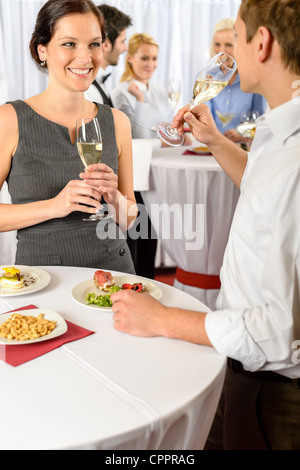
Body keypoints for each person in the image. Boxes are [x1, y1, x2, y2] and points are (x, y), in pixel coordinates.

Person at [111, 0, 300, 450]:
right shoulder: (281, 131)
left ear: (262, 42)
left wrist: (163, 319)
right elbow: (261, 188)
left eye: (235, 37)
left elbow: (274, 332)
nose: (229, 50)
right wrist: (214, 139)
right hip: (248, 377)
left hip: (273, 393)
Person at [0, 0, 136, 273]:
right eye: (69, 44)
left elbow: (130, 218)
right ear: (42, 50)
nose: (86, 58)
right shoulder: (9, 119)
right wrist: (54, 206)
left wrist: (114, 198)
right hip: (42, 279)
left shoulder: (118, 122)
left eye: (94, 44)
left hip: (114, 273)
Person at [111, 33, 191, 145]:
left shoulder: (160, 90)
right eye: (144, 58)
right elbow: (136, 138)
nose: (150, 64)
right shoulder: (120, 93)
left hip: (167, 155)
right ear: (129, 58)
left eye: (154, 58)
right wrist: (140, 99)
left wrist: (178, 135)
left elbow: (167, 128)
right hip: (143, 159)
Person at [205, 17, 266, 144]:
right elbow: (204, 119)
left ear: (238, 46)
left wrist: (244, 135)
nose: (221, 51)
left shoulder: (253, 79)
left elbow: (260, 121)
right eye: (217, 44)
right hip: (212, 147)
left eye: (228, 45)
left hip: (244, 149)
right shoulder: (206, 78)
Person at [85, 4, 132, 106]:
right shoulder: (87, 89)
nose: (126, 48)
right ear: (105, 44)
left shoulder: (98, 82)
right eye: (123, 41)